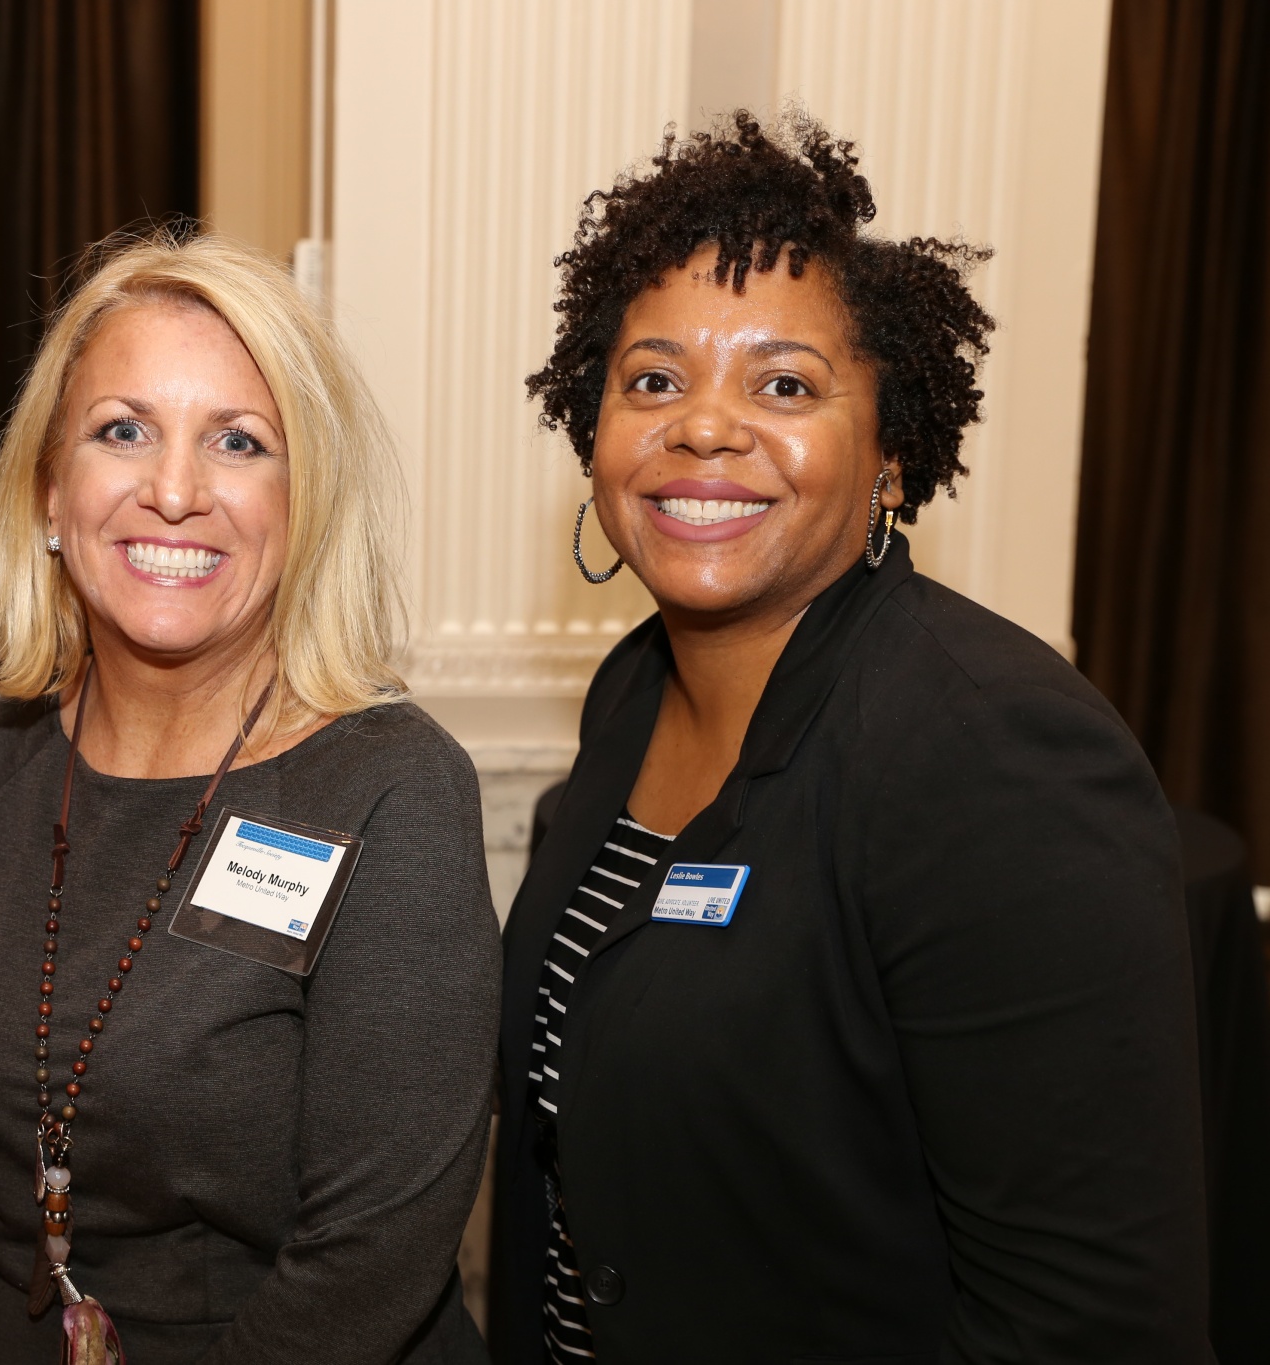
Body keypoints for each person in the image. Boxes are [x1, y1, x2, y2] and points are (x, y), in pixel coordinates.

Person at [489, 113, 1211, 1363]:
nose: (701, 426)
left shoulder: (992, 751)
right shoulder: (632, 693)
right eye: (651, 380)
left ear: (888, 454)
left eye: (782, 385)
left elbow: (1091, 1323)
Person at [0, 229, 500, 1363]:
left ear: (303, 506)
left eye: (238, 442)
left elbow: (374, 1251)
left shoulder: (391, 787)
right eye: (123, 431)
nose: (173, 492)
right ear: (50, 492)